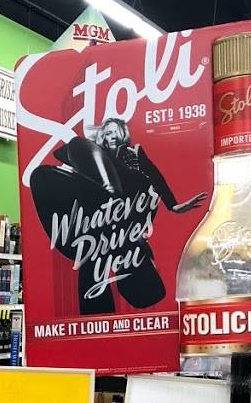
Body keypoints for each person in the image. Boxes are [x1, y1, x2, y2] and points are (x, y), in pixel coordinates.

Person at [30, 114, 206, 316]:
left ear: (122, 134)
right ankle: (97, 318)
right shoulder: (93, 154)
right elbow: (65, 158)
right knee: (93, 258)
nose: (111, 136)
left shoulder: (134, 153)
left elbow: (156, 178)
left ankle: (121, 240)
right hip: (106, 220)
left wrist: (173, 205)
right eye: (106, 133)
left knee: (99, 257)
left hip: (130, 215)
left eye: (114, 132)